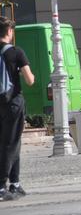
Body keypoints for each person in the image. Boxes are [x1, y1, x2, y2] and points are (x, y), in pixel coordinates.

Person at [0, 16, 35, 202]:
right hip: (13, 103)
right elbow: (30, 81)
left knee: (11, 142)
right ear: (10, 32)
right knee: (10, 143)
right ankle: (1, 186)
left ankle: (15, 183)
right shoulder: (16, 52)